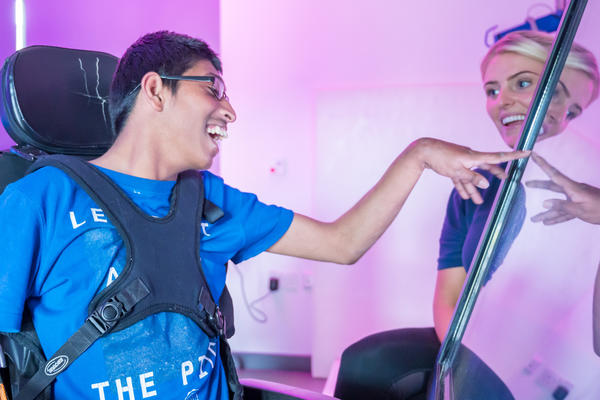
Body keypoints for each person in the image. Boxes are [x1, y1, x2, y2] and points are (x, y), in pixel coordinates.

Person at [0, 31, 526, 400]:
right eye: (212, 88)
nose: (230, 111)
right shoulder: (40, 199)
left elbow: (343, 243)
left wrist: (420, 154)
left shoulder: (213, 199)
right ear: (156, 89)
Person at [335, 30, 599, 400]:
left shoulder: (591, 193)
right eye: (492, 90)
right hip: (476, 353)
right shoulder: (473, 186)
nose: (501, 102)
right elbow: (448, 296)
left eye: (522, 84)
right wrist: (458, 364)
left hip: (549, 372)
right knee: (364, 364)